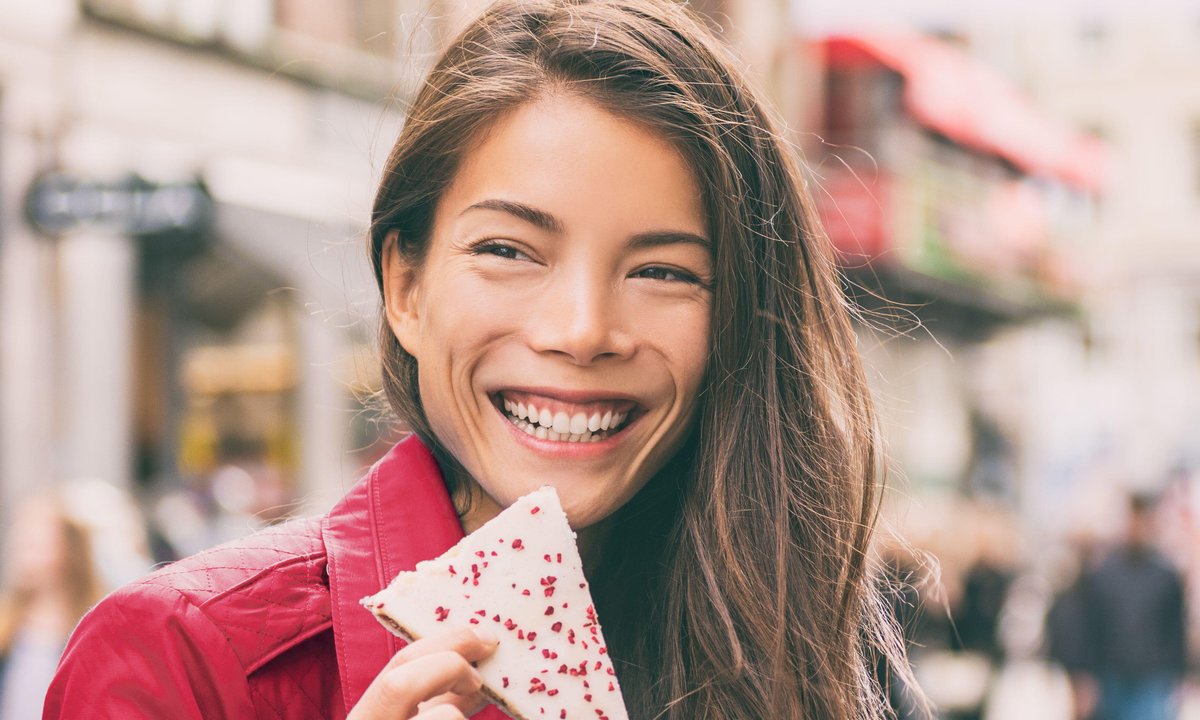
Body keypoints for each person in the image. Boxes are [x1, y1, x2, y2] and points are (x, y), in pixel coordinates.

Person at [43, 1, 920, 718]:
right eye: (508, 250)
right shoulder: (179, 661)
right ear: (406, 288)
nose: (582, 330)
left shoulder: (818, 659)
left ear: (741, 318)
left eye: (662, 271)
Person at [1083, 493, 1188, 720]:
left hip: (1152, 677)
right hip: (1111, 675)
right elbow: (1091, 626)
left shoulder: (1165, 576)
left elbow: (1175, 629)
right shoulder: (1104, 574)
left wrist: (1178, 675)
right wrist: (1087, 674)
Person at [0, 494, 103, 720]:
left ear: (69, 548)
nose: (23, 555)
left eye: (34, 545)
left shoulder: (93, 628)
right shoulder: (7, 624)